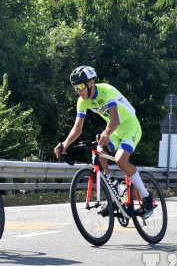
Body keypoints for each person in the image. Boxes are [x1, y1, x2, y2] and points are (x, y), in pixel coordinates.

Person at [54, 66, 154, 219]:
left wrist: (106, 133)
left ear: (91, 83)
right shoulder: (82, 101)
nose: (79, 91)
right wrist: (65, 143)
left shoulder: (106, 91)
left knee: (121, 159)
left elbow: (115, 120)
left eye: (81, 86)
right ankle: (113, 193)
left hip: (130, 126)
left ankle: (146, 196)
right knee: (99, 156)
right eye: (76, 88)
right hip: (115, 130)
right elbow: (78, 128)